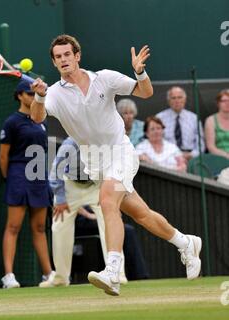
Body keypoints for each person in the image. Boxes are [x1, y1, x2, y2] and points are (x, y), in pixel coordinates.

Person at [29, 34, 202, 296]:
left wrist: (140, 73)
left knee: (107, 201)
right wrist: (39, 97)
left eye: (67, 54)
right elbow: (36, 117)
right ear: (54, 63)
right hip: (95, 161)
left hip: (120, 152)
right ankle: (185, 243)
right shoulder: (52, 93)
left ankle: (112, 271)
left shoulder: (105, 78)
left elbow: (145, 92)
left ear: (77, 56)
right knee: (141, 214)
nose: (64, 60)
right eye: (58, 57)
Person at [40, 137, 128, 288]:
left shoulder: (105, 142)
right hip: (70, 186)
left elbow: (118, 169)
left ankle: (118, 274)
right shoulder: (69, 145)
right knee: (58, 226)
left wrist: (116, 199)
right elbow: (55, 171)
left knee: (110, 221)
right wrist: (60, 198)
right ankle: (60, 278)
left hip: (97, 185)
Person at [0, 79, 55, 289]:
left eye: (35, 94)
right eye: (30, 94)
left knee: (40, 227)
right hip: (18, 175)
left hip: (39, 177)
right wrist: (11, 178)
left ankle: (48, 274)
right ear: (20, 96)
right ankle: (9, 276)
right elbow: (3, 156)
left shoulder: (42, 120)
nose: (33, 97)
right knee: (13, 226)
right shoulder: (11, 122)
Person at [75, 206, 149, 280]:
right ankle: (113, 273)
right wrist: (89, 215)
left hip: (100, 215)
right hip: (81, 220)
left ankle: (139, 275)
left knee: (128, 230)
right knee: (123, 229)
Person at [156, 86, 205, 162]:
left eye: (180, 97)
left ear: (185, 100)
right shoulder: (159, 118)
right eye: (173, 98)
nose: (177, 101)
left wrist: (192, 155)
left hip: (191, 158)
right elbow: (156, 141)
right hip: (168, 157)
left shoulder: (194, 118)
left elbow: (200, 143)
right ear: (168, 101)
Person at [204, 89, 229, 158]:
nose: (227, 103)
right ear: (218, 103)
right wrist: (226, 156)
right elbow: (211, 147)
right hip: (219, 158)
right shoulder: (210, 120)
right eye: (224, 101)